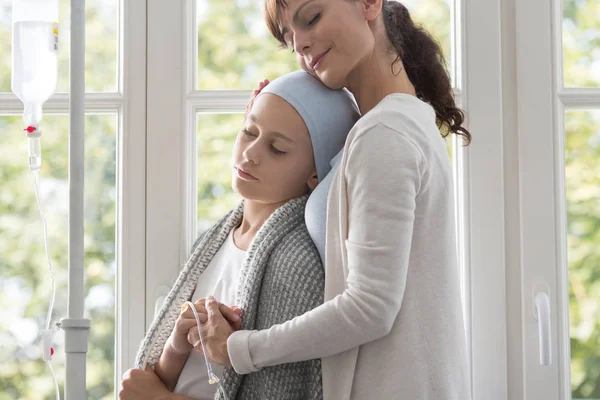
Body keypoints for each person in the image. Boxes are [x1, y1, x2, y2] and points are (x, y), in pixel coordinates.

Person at [196, 1, 472, 399]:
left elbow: (369, 308)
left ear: (369, 4)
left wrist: (237, 348)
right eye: (289, 39)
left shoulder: (385, 134)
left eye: (311, 18)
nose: (301, 46)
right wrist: (271, 124)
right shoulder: (384, 126)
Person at [118, 71, 359, 400]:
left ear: (316, 174)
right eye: (249, 131)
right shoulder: (215, 239)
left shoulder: (295, 266)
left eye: (277, 148)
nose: (251, 153)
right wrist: (175, 346)